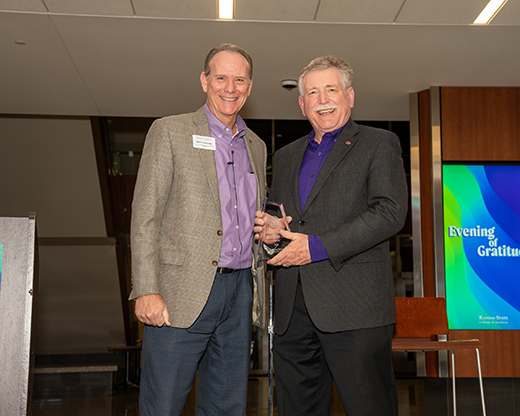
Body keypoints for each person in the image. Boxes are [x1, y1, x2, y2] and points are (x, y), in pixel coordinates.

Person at [255, 55, 408, 415]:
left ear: (350, 96)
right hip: (293, 309)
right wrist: (274, 232)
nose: (322, 99)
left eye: (331, 89)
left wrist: (318, 247)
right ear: (301, 103)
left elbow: (389, 212)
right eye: (312, 92)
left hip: (355, 308)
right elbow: (292, 220)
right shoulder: (287, 155)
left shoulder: (378, 143)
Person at [130, 43, 267, 416]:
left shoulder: (257, 146)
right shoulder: (170, 131)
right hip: (179, 293)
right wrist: (146, 289)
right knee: (163, 404)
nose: (230, 87)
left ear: (250, 86)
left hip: (239, 292)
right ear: (204, 80)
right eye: (221, 77)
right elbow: (145, 217)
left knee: (227, 404)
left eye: (239, 79)